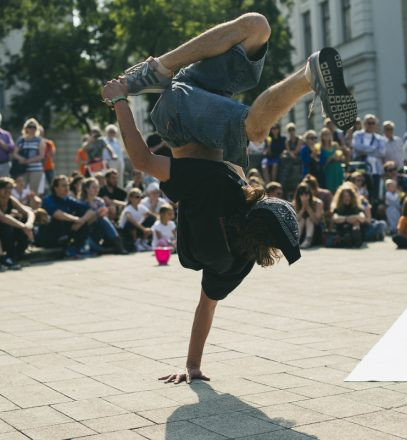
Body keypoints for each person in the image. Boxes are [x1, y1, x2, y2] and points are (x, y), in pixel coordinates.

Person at [102, 12, 356, 384]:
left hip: (181, 117)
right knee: (258, 29)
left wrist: (121, 99)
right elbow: (206, 306)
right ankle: (160, 69)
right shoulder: (236, 260)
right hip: (200, 100)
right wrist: (120, 102)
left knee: (252, 124)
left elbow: (142, 162)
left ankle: (306, 77)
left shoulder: (218, 186)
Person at [38, 175, 95, 257]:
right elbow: (57, 214)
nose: (67, 188)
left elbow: (90, 210)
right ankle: (69, 248)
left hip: (66, 233)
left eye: (68, 185)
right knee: (59, 219)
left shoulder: (68, 199)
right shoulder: (48, 200)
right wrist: (77, 220)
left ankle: (79, 247)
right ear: (56, 188)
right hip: (49, 236)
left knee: (82, 215)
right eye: (64, 186)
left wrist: (81, 220)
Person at [81, 177, 126, 254]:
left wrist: (103, 213)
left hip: (99, 229)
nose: (96, 190)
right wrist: (96, 215)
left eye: (97, 187)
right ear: (86, 189)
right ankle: (111, 247)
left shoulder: (99, 201)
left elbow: (104, 217)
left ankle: (118, 244)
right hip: (86, 231)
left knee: (103, 220)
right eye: (94, 187)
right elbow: (83, 223)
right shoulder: (81, 203)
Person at [0, 177, 35, 269]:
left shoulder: (11, 200)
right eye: (5, 188)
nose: (8, 190)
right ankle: (6, 258)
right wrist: (24, 227)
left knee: (24, 225)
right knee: (7, 228)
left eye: (10, 188)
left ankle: (18, 255)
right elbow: (3, 218)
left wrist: (28, 224)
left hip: (7, 229)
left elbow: (29, 211)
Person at [352, 114, 385, 201]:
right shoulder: (357, 135)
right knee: (360, 194)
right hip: (361, 170)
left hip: (375, 171)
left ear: (376, 125)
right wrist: (373, 148)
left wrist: (364, 150)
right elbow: (357, 147)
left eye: (373, 123)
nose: (370, 125)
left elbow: (382, 152)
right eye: (368, 123)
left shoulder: (380, 138)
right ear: (364, 123)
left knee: (374, 196)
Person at [12, 118, 45, 194]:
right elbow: (14, 153)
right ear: (26, 128)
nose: (32, 129)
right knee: (21, 190)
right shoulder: (21, 140)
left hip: (36, 169)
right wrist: (21, 159)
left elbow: (41, 155)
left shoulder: (39, 140)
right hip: (23, 169)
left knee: (33, 191)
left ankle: (33, 206)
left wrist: (28, 161)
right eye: (30, 127)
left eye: (34, 127)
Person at [293, 182, 323, 248]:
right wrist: (303, 209)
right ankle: (295, 241)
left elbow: (316, 221)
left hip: (315, 232)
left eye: (306, 193)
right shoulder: (295, 203)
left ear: (310, 194)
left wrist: (308, 207)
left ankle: (307, 240)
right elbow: (294, 221)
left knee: (309, 219)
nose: (304, 196)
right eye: (301, 194)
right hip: (299, 233)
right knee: (302, 220)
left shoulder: (318, 203)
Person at [318, 127, 345, 193]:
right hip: (328, 171)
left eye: (328, 134)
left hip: (337, 169)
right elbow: (320, 163)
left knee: (340, 190)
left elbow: (342, 157)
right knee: (330, 190)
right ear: (321, 136)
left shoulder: (335, 145)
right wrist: (330, 159)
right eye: (325, 134)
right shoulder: (320, 147)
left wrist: (340, 158)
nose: (327, 136)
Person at [0, 113, 15, 178]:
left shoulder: (6, 134)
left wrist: (2, 143)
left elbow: (11, 148)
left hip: (4, 164)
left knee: (4, 186)